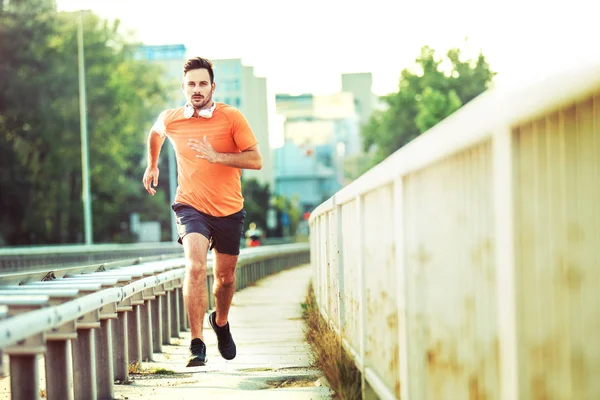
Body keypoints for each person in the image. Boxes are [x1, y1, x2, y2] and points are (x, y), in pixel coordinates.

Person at [142, 56, 262, 367]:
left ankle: (220, 322)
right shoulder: (171, 118)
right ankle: (197, 343)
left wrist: (217, 156)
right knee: (195, 267)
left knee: (225, 278)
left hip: (229, 209)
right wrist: (152, 164)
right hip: (190, 205)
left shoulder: (231, 117)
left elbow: (255, 159)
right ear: (183, 86)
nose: (197, 89)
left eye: (202, 83)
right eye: (191, 84)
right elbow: (155, 134)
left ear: (212, 87)